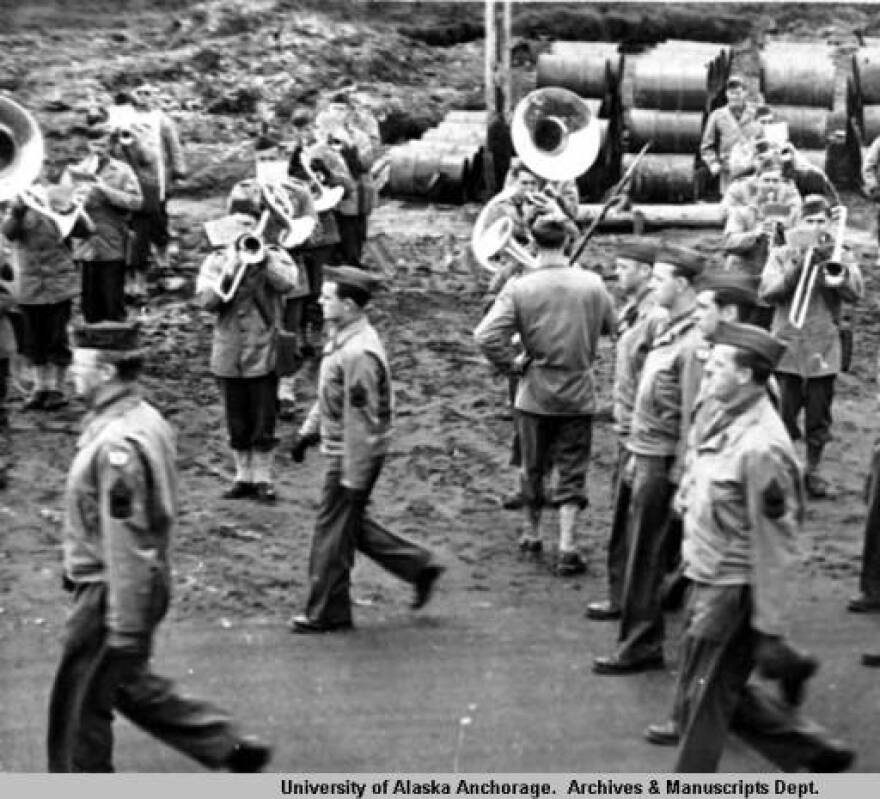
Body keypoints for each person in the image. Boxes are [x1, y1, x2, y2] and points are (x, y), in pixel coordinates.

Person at [47, 320, 271, 772]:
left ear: (107, 371)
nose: (72, 371)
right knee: (122, 683)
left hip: (110, 587)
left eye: (80, 363)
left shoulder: (117, 445)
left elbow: (126, 538)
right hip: (127, 581)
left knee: (78, 712)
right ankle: (226, 745)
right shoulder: (140, 418)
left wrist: (125, 624)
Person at [654, 321, 854, 772]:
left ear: (745, 375)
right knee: (711, 694)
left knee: (702, 706)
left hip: (732, 590)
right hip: (706, 576)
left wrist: (769, 627)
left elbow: (777, 543)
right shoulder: (722, 412)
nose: (706, 375)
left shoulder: (762, 446)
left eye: (717, 367)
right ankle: (816, 753)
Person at [289, 266, 445, 632]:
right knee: (347, 525)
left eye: (327, 297)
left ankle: (325, 611)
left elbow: (361, 419)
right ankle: (418, 566)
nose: (320, 301)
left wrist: (353, 475)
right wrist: (307, 432)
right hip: (343, 447)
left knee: (332, 531)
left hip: (351, 452)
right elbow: (331, 396)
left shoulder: (358, 352)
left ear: (348, 305)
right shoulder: (344, 338)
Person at [474, 215, 615, 576]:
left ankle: (532, 533)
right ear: (568, 243)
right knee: (572, 467)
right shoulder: (593, 284)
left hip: (535, 391)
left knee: (532, 465)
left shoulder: (521, 287)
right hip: (579, 390)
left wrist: (514, 365)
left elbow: (485, 335)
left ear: (534, 245)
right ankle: (568, 543)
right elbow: (612, 327)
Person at [593, 245, 704, 674]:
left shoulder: (691, 343)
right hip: (646, 451)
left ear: (682, 284)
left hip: (662, 460)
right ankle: (643, 629)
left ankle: (641, 643)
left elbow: (692, 416)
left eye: (660, 279)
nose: (654, 286)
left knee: (647, 553)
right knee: (647, 549)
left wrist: (681, 474)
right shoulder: (667, 328)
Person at [195, 190, 300, 503]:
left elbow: (288, 284)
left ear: (258, 225)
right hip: (229, 350)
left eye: (249, 223)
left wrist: (262, 261)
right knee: (236, 417)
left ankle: (263, 477)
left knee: (263, 416)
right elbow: (206, 302)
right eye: (237, 222)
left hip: (263, 349)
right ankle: (242, 476)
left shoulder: (275, 254)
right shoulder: (216, 260)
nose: (243, 229)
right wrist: (230, 269)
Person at [758, 194, 863, 499]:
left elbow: (855, 293)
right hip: (787, 343)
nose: (816, 227)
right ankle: (783, 472)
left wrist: (838, 274)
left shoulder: (841, 252)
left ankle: (813, 471)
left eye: (821, 221)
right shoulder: (781, 253)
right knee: (784, 414)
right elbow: (768, 293)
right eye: (810, 221)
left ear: (830, 223)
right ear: (798, 222)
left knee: (819, 415)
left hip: (823, 345)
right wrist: (798, 267)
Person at [586, 240, 665, 620]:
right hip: (629, 426)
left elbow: (651, 382)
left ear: (646, 272)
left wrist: (634, 433)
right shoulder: (635, 311)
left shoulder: (652, 316)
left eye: (624, 267)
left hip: (639, 433)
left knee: (628, 522)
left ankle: (624, 596)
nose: (618, 274)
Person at [1, 182, 94, 410]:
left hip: (58, 284)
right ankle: (40, 388)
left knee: (57, 338)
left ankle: (58, 388)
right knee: (34, 340)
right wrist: (17, 212)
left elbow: (86, 231)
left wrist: (74, 209)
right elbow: (8, 234)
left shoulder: (59, 207)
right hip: (30, 285)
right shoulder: (20, 210)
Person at [63, 110, 143, 323]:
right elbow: (60, 206)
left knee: (112, 299)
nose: (98, 151)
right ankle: (92, 345)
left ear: (112, 146)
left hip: (112, 240)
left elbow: (136, 202)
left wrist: (106, 191)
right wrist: (73, 199)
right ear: (88, 145)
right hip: (85, 245)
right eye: (94, 145)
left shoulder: (123, 171)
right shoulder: (75, 171)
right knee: (89, 304)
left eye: (103, 146)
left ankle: (118, 346)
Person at [127, 83, 187, 273]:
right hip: (134, 176)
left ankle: (162, 254)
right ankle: (139, 257)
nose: (144, 97)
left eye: (148, 94)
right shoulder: (126, 118)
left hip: (159, 178)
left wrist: (178, 170)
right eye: (141, 93)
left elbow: (174, 146)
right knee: (136, 221)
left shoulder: (162, 119)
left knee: (159, 218)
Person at [700, 75, 761, 194]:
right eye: (731, 92)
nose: (735, 96)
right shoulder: (717, 116)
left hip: (753, 172)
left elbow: (768, 140)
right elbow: (707, 146)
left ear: (746, 93)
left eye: (738, 92)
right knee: (730, 206)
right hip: (728, 173)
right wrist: (713, 163)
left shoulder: (757, 113)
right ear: (727, 94)